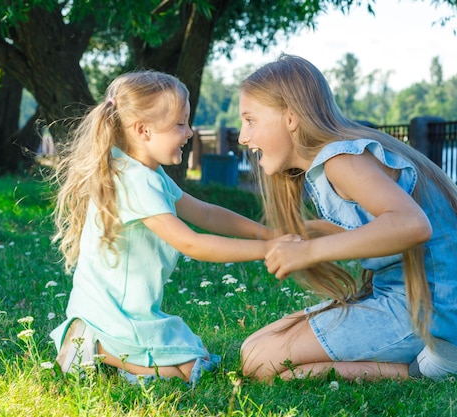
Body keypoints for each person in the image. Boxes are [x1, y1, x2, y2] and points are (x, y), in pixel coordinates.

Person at [237, 54, 457, 382]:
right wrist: (304, 232)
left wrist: (309, 252)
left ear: (291, 117)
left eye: (250, 120)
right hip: (421, 307)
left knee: (260, 360)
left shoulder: (341, 161)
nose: (242, 137)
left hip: (427, 316)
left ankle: (427, 371)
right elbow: (368, 227)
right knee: (254, 347)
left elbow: (412, 224)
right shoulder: (342, 156)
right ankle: (432, 364)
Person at [49, 70, 288, 386]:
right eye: (179, 124)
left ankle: (102, 349)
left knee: (196, 358)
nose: (189, 132)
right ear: (143, 130)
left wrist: (268, 233)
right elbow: (191, 243)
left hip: (115, 311)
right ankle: (95, 346)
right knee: (192, 370)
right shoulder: (135, 180)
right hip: (113, 318)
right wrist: (269, 250)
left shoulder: (145, 173)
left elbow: (206, 214)